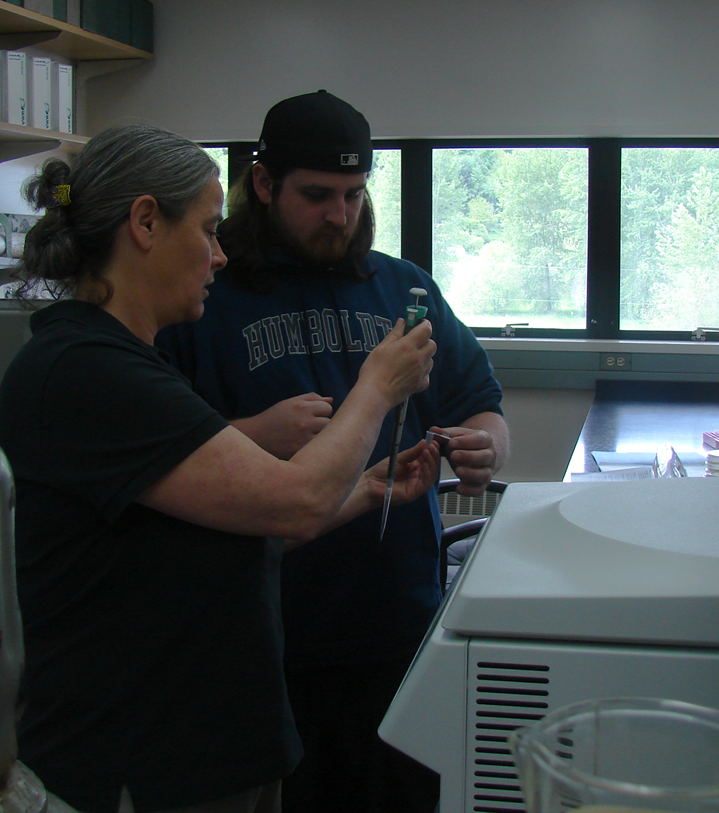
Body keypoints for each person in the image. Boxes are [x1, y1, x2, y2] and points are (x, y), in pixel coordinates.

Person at [0, 123, 439, 813]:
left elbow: (216, 534)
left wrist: (361, 493)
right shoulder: (84, 371)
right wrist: (378, 386)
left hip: (214, 753)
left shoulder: (132, 364)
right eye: (207, 232)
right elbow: (294, 499)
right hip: (141, 762)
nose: (219, 257)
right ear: (145, 222)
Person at [156, 91, 510, 813]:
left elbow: (480, 402)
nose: (339, 216)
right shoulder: (204, 296)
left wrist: (483, 447)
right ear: (261, 185)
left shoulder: (402, 286)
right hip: (265, 640)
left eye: (353, 195)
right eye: (317, 195)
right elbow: (167, 460)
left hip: (398, 626)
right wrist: (252, 430)